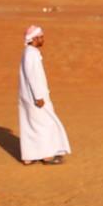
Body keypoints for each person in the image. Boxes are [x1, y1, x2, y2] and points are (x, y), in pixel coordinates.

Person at [18, 25, 71, 165]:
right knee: (46, 124)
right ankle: (47, 156)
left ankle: (29, 156)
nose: (43, 40)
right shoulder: (31, 53)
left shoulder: (28, 52)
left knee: (31, 125)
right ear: (34, 38)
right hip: (36, 97)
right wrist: (38, 97)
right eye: (41, 37)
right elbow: (32, 76)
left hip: (30, 96)